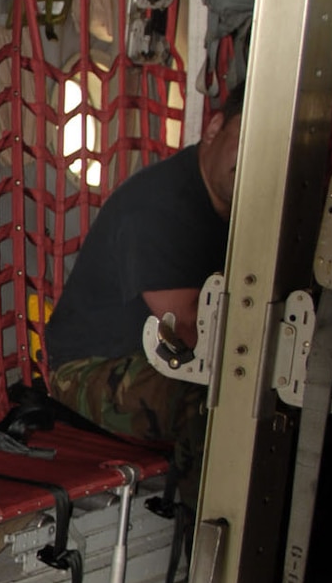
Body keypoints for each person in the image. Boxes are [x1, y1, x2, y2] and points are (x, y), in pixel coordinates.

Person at [45, 87, 244, 502]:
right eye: (245, 140)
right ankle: (205, 538)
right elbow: (190, 334)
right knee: (217, 405)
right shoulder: (162, 205)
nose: (254, 161)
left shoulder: (249, 210)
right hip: (91, 371)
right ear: (213, 128)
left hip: (162, 363)